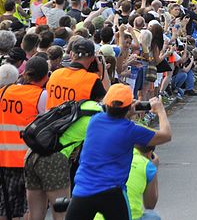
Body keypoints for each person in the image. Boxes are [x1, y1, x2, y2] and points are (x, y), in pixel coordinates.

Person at [64, 85, 172, 220]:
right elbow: (166, 135)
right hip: (112, 193)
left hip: (83, 190)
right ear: (128, 108)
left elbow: (114, 121)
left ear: (106, 104)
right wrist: (160, 110)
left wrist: (127, 112)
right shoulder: (131, 130)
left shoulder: (94, 121)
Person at [0, 56, 48, 220]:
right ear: (45, 77)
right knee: (29, 208)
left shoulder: (4, 92)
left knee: (5, 207)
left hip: (4, 159)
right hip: (29, 160)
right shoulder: (42, 96)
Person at [45, 40, 107, 110]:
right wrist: (103, 72)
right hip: (77, 120)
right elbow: (108, 103)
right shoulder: (92, 79)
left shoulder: (55, 74)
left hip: (52, 120)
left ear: (71, 54)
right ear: (93, 58)